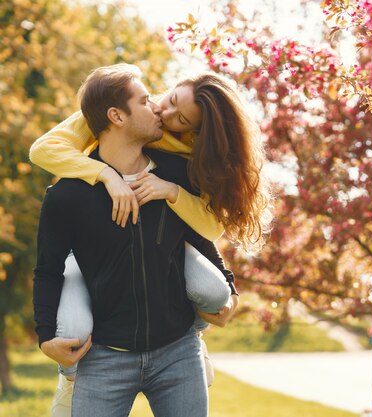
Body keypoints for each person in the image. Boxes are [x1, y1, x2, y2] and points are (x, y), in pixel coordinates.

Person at [30, 68, 272, 416]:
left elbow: (199, 235)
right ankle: (68, 379)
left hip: (176, 351)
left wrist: (228, 287)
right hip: (103, 356)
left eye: (182, 118)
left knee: (214, 291)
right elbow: (47, 268)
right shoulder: (68, 193)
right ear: (117, 116)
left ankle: (198, 335)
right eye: (158, 101)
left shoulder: (178, 171)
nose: (161, 111)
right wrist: (44, 337)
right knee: (72, 315)